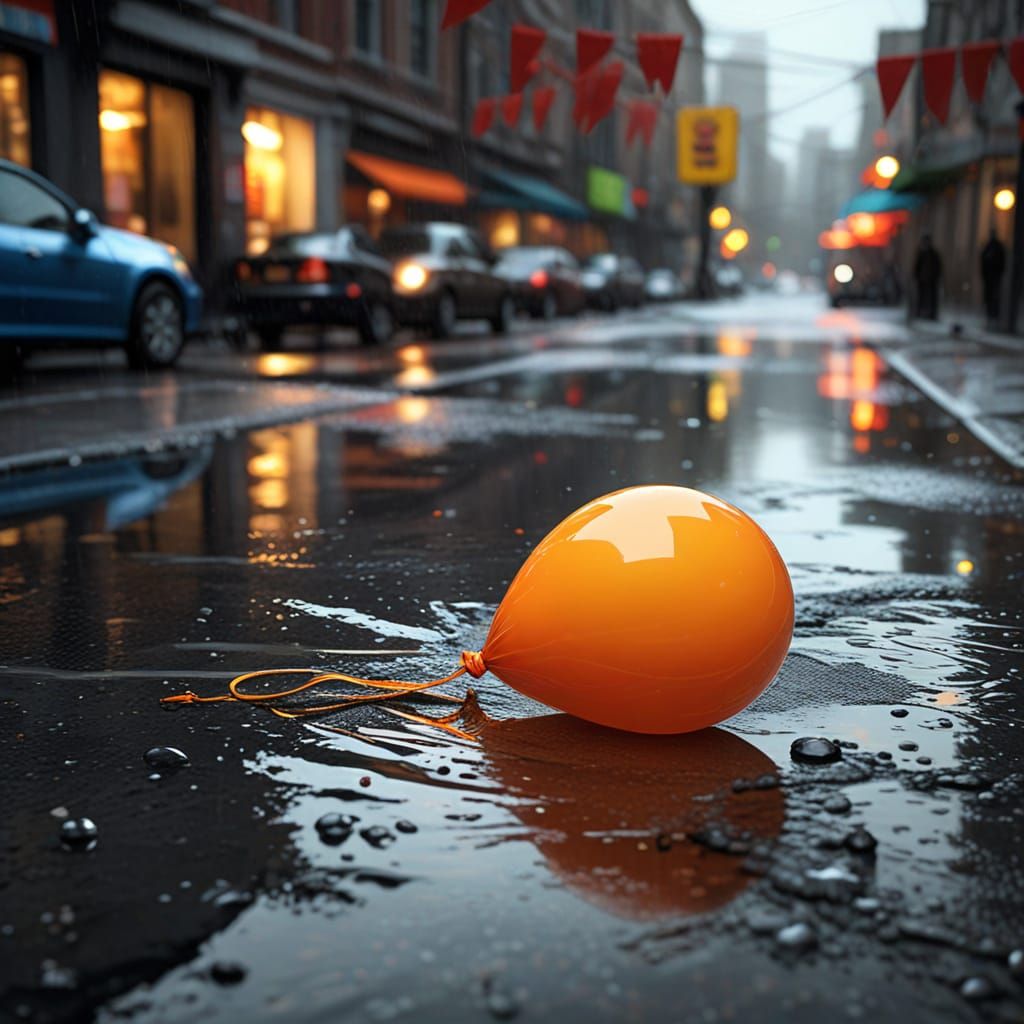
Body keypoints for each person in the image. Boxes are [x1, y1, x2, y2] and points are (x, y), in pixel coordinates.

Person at [980, 230, 1006, 325]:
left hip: (994, 278)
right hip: (989, 278)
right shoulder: (988, 246)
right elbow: (983, 261)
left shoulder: (997, 247)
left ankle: (994, 317)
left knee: (994, 298)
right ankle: (989, 316)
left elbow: (1001, 262)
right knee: (989, 298)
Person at [913, 235, 942, 320]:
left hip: (932, 280)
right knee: (921, 297)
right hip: (922, 280)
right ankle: (920, 312)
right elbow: (917, 267)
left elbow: (938, 267)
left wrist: (936, 276)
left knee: (932, 298)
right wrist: (917, 276)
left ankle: (932, 314)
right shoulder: (921, 254)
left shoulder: (933, 254)